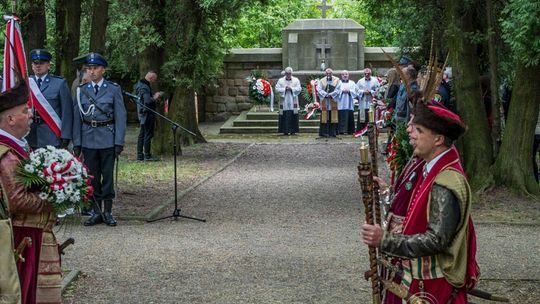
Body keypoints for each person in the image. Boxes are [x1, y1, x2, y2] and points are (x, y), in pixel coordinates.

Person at [362, 102, 479, 303]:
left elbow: (436, 240)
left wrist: (385, 240)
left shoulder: (445, 182)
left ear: (438, 139)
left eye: (419, 130)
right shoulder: (431, 168)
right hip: (420, 278)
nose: (411, 133)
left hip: (432, 285)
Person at [0, 82, 60, 303]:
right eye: (25, 111)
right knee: (25, 295)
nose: (31, 114)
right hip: (21, 239)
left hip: (32, 235)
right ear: (11, 119)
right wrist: (55, 199)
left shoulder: (20, 147)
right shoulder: (6, 153)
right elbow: (16, 200)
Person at [73, 53, 127, 227]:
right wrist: (77, 142)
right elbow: (77, 118)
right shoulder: (82, 90)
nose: (92, 71)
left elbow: (121, 116)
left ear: (103, 69)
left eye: (95, 68)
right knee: (92, 177)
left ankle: (108, 212)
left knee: (108, 178)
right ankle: (96, 211)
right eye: (89, 68)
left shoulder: (113, 89)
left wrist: (119, 141)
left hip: (107, 138)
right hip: (88, 138)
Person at [26, 49, 73, 150]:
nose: (38, 66)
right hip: (30, 134)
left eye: (42, 63)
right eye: (35, 63)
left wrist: (66, 135)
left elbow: (67, 112)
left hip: (51, 134)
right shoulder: (26, 84)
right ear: (32, 65)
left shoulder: (59, 83)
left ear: (48, 65)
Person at [135, 71, 163, 161]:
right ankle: (147, 155)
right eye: (154, 79)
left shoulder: (140, 84)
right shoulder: (144, 87)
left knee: (142, 134)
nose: (154, 81)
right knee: (147, 134)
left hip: (143, 113)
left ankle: (140, 155)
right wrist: (156, 96)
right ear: (151, 77)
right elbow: (147, 101)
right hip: (147, 114)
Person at [274, 67, 301, 135]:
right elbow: (277, 89)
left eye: (289, 73)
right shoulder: (280, 80)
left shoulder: (296, 80)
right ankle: (285, 130)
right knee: (284, 114)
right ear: (285, 73)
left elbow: (299, 88)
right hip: (284, 100)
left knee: (293, 114)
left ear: (291, 73)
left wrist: (292, 88)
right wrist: (284, 89)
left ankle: (293, 130)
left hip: (293, 100)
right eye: (287, 73)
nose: (288, 75)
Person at [316, 68, 341, 138]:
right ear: (325, 73)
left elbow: (338, 89)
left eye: (330, 73)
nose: (328, 74)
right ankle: (324, 133)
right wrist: (325, 94)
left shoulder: (337, 80)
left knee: (333, 115)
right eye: (327, 73)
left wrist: (331, 94)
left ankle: (333, 133)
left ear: (332, 73)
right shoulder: (322, 80)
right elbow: (318, 88)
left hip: (333, 100)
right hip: (325, 101)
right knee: (324, 116)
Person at [336, 70, 357, 134]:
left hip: (349, 103)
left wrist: (349, 91)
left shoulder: (352, 83)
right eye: (343, 74)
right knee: (341, 116)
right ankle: (340, 131)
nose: (345, 75)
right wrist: (342, 91)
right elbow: (336, 91)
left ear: (348, 75)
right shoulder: (338, 83)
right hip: (340, 103)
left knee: (349, 115)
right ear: (341, 75)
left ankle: (350, 130)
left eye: (346, 74)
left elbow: (355, 92)